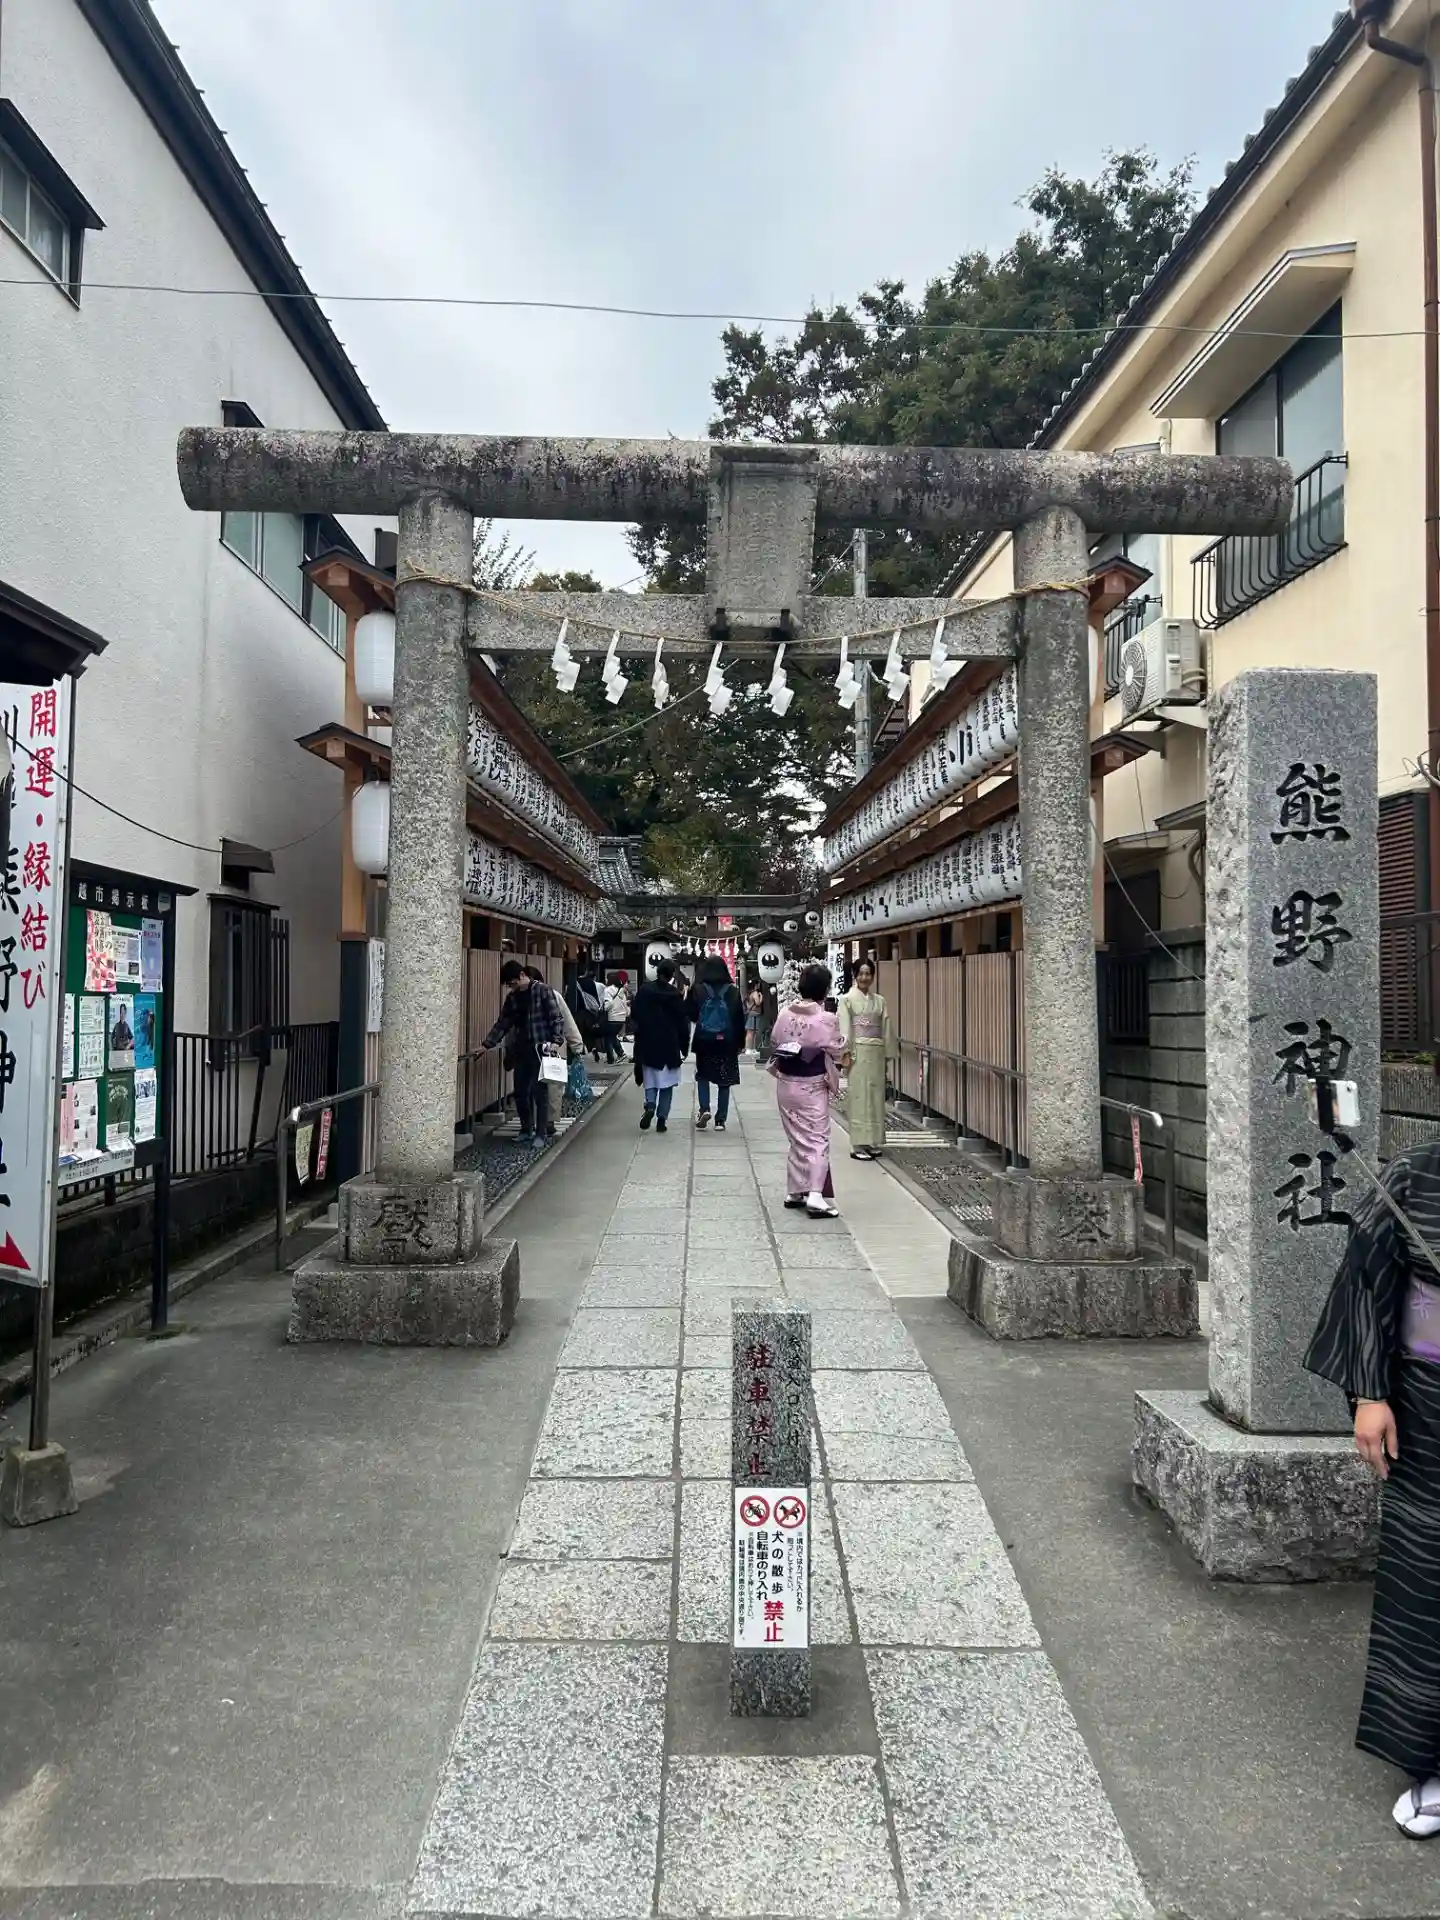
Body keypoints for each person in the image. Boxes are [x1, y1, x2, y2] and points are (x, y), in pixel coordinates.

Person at [1304, 1137, 1440, 1837]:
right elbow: (1366, 1282)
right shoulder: (1413, 1177)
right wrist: (1369, 1393)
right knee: (1428, 1579)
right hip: (1432, 1412)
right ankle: (1434, 1759)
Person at [767, 962, 845, 1217]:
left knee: (796, 1137)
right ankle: (815, 1195)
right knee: (817, 1138)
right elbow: (838, 1050)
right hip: (811, 1084)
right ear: (825, 990)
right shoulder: (826, 1018)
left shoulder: (784, 1013)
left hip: (786, 1081)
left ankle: (795, 1191)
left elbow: (775, 1040)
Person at [480, 958, 565, 1149]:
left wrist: (556, 1041)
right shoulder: (513, 997)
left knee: (539, 1091)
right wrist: (487, 1044)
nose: (511, 987)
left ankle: (541, 1133)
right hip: (520, 1048)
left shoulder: (543, 991)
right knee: (520, 1091)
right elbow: (503, 1023)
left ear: (522, 975)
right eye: (509, 985)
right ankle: (526, 1129)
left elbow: (556, 1018)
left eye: (512, 983)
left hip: (540, 1048)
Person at [838, 958, 893, 1161]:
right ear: (855, 975)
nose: (864, 977)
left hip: (876, 1053)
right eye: (860, 973)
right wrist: (846, 1052)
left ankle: (871, 1141)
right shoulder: (847, 1000)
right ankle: (857, 1145)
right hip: (858, 1053)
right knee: (860, 1097)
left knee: (875, 1098)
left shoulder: (880, 1001)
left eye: (868, 973)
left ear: (873, 976)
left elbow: (886, 1028)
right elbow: (845, 1028)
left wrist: (887, 1053)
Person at [525, 965, 588, 1135]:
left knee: (549, 1085)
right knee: (551, 1085)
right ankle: (546, 1121)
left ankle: (545, 1121)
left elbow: (565, 1021)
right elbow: (568, 1022)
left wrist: (576, 1045)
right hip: (550, 1048)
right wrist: (576, 1045)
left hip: (551, 1046)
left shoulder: (546, 995)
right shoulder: (553, 995)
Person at [630, 955, 689, 1134]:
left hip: (648, 1042)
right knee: (667, 1084)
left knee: (650, 1080)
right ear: (672, 975)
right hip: (669, 1044)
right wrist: (684, 1046)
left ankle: (650, 1105)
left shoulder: (645, 991)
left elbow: (635, 1015)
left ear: (657, 971)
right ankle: (662, 1119)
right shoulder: (675, 995)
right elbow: (682, 1023)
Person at [687, 955, 744, 1130]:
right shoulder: (733, 991)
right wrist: (740, 1043)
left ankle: (704, 1108)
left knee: (703, 1075)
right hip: (727, 1040)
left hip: (704, 1040)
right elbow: (739, 1019)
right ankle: (720, 1120)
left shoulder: (698, 989)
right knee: (724, 1079)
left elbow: (691, 1014)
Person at [602, 971, 631, 1063]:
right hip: (621, 1018)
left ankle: (620, 1053)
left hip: (612, 1017)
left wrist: (602, 1008)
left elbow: (608, 1004)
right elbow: (626, 1006)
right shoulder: (622, 991)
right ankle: (611, 1058)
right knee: (610, 1036)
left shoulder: (608, 990)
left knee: (610, 1036)